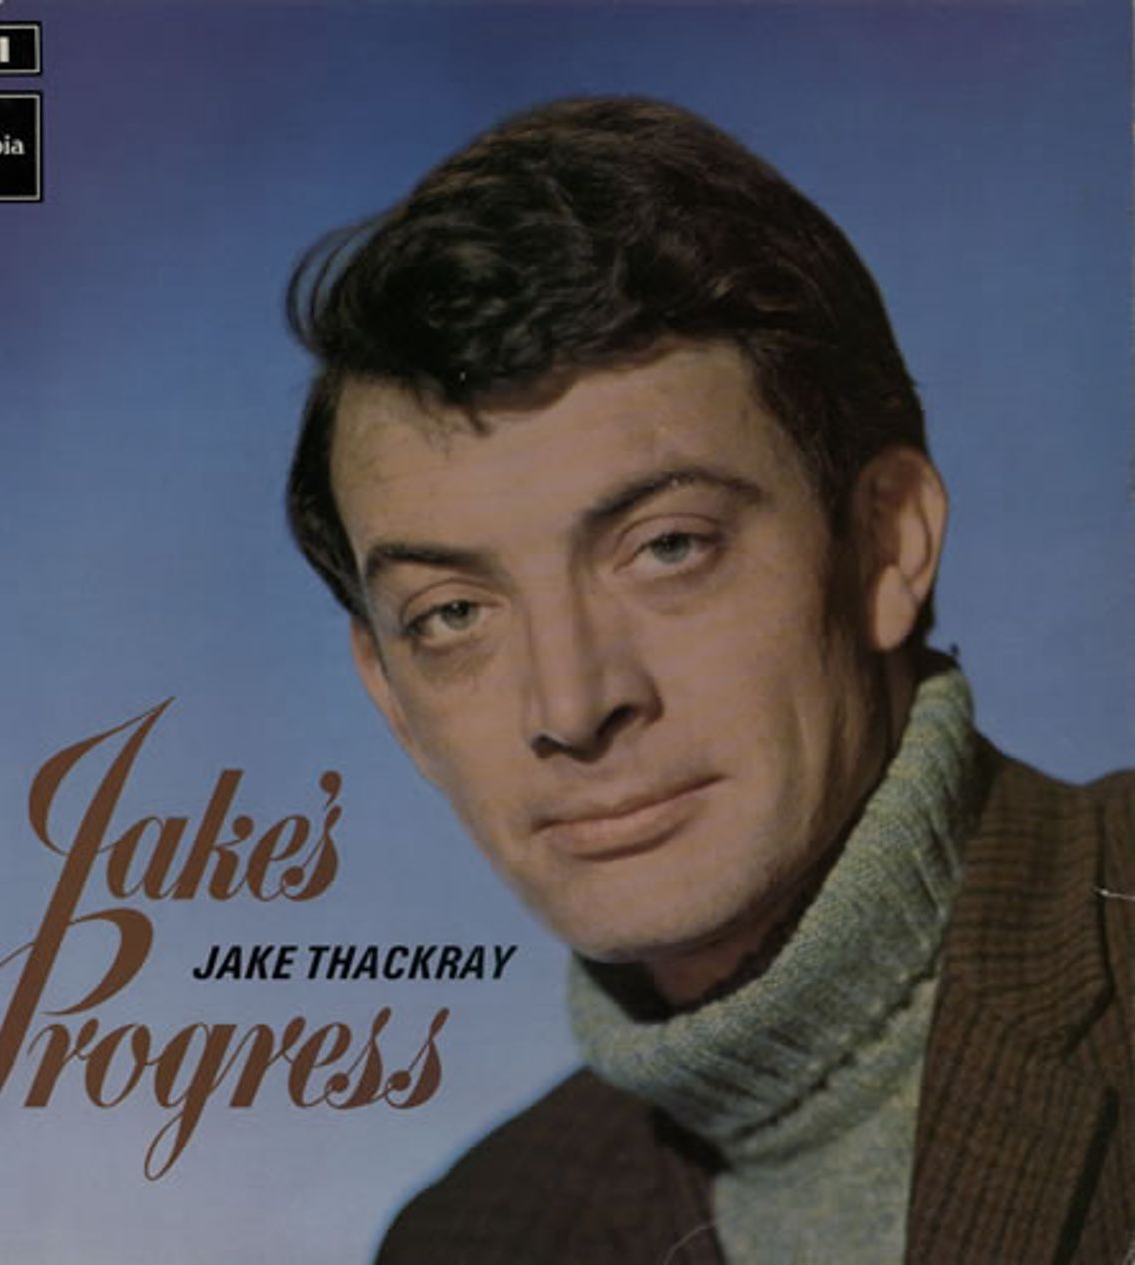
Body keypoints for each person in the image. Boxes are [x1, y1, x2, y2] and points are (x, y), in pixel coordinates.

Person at [284, 97, 1132, 1263]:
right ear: (390, 696)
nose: (570, 707)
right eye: (454, 613)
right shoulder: (472, 1241)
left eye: (666, 546)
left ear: (886, 543)